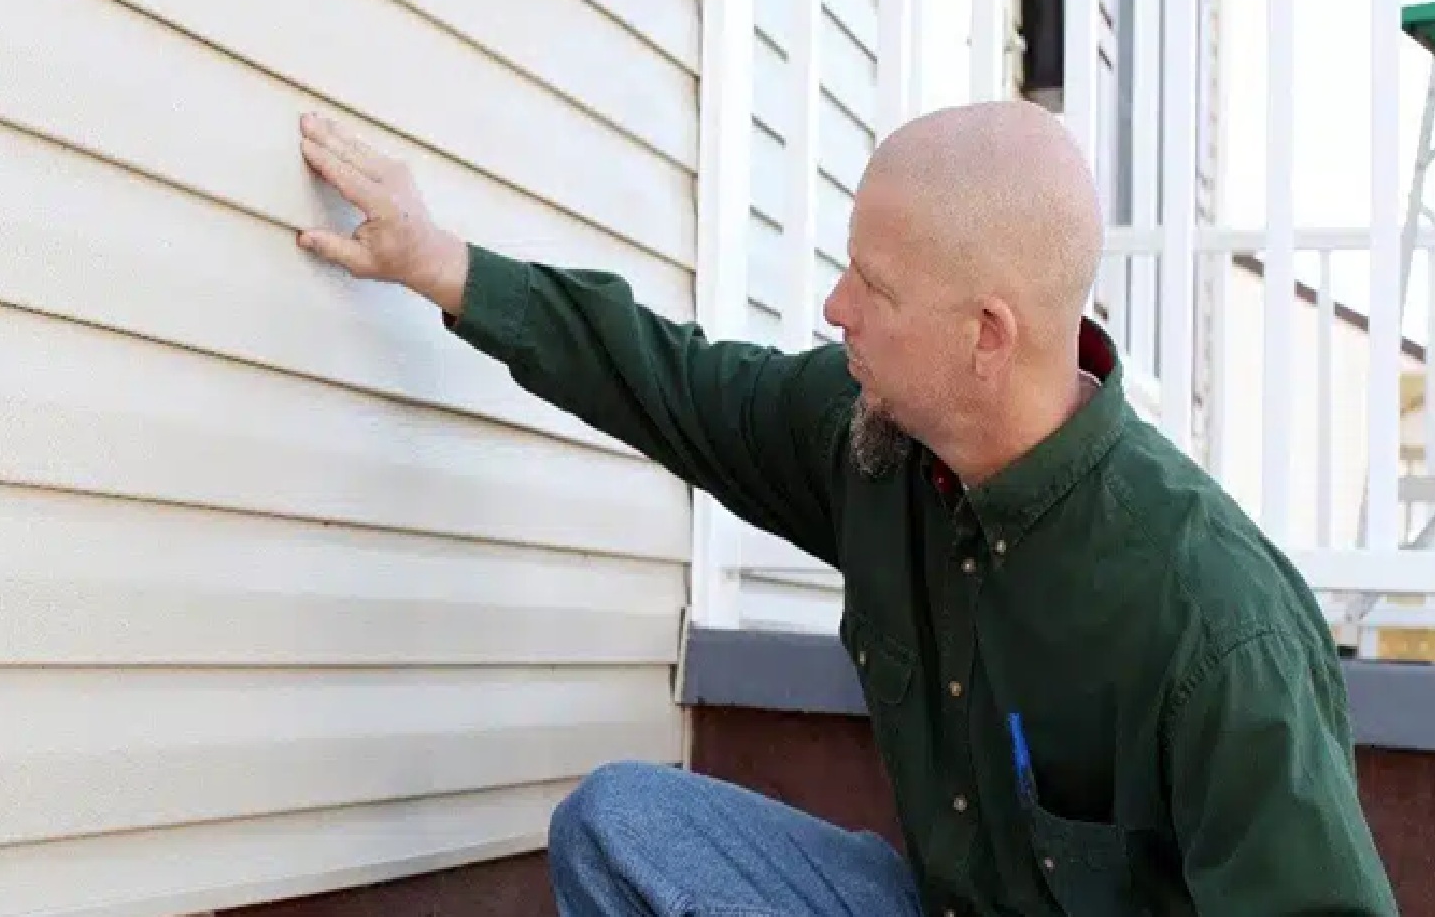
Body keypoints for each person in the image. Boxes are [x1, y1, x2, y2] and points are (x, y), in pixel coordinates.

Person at [294, 101, 1398, 916]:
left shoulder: (1214, 618)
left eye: (872, 283)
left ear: (986, 333)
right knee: (625, 825)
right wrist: (443, 266)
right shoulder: (872, 443)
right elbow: (672, 381)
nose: (834, 307)